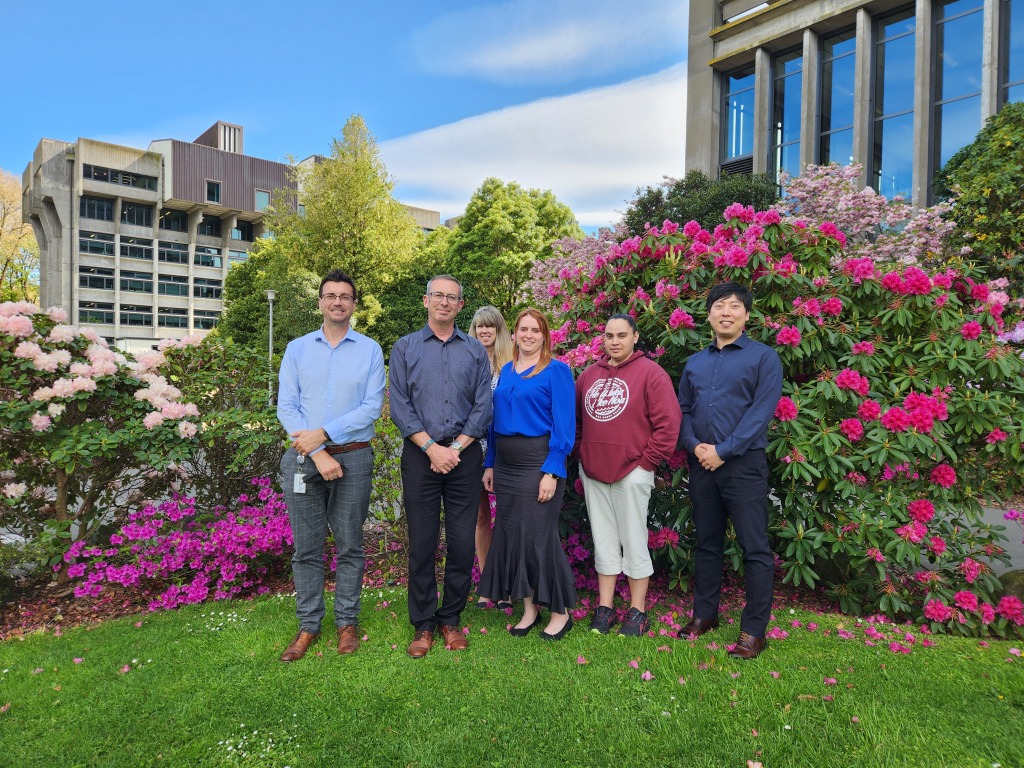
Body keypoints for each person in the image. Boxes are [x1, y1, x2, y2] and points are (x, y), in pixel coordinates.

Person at [276, 269, 385, 662]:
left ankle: (347, 624)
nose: (338, 301)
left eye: (345, 296)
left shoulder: (370, 350)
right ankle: (308, 626)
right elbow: (286, 406)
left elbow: (371, 407)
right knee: (306, 549)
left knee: (350, 545)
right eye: (330, 295)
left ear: (354, 304)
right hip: (305, 459)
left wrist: (322, 434)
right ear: (320, 302)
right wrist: (317, 450)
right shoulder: (297, 349)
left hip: (354, 456)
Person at [677, 282, 783, 660]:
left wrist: (723, 451)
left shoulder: (764, 358)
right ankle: (705, 615)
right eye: (719, 306)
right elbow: (684, 410)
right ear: (708, 315)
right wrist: (695, 446)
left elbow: (761, 413)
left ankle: (754, 631)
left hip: (743, 466)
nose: (726, 312)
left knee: (755, 548)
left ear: (747, 315)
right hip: (702, 464)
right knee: (707, 544)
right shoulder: (695, 362)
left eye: (734, 306)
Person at [389, 275, 493, 658]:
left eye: (452, 298)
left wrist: (457, 447)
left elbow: (483, 406)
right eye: (438, 296)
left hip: (464, 457)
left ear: (461, 305)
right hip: (420, 457)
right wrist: (432, 448)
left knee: (463, 543)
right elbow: (399, 405)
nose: (444, 302)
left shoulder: (475, 352)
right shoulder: (405, 348)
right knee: (422, 541)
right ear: (426, 301)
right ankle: (423, 625)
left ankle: (451, 619)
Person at [576, 314, 681, 637]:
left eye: (622, 335)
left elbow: (669, 424)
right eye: (609, 335)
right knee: (604, 540)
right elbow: (576, 419)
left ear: (635, 337)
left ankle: (638, 612)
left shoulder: (651, 373)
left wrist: (646, 465)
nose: (615, 341)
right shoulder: (589, 376)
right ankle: (605, 608)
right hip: (594, 471)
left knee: (634, 540)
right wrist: (583, 452)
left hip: (633, 471)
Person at [480, 308, 577, 640]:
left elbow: (565, 426)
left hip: (538, 462)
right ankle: (529, 609)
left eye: (536, 330)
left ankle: (561, 613)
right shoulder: (506, 371)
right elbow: (494, 424)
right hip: (505, 465)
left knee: (538, 536)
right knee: (512, 536)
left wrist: (552, 470)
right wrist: (490, 463)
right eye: (523, 329)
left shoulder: (557, 372)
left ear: (544, 335)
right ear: (515, 334)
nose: (529, 335)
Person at [468, 305, 513, 608]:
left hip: (505, 451)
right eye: (479, 327)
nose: (484, 332)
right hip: (472, 449)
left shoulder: (511, 366)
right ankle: (488, 586)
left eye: (490, 327)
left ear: (499, 331)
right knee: (480, 518)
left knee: (508, 519)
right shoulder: (467, 362)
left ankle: (508, 586)